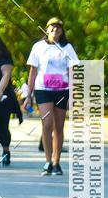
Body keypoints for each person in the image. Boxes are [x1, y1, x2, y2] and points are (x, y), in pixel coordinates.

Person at [24, 18, 78, 176]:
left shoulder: (67, 48)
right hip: (43, 89)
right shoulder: (38, 47)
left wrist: (74, 94)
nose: (55, 30)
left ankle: (57, 162)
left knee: (58, 127)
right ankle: (47, 161)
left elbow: (73, 71)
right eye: (52, 27)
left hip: (62, 90)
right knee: (47, 124)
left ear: (62, 31)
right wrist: (29, 94)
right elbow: (33, 72)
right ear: (46, 30)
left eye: (59, 28)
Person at [0, 35, 23, 166]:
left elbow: (6, 74)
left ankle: (6, 151)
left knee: (1, 127)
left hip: (2, 97)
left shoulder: (3, 56)